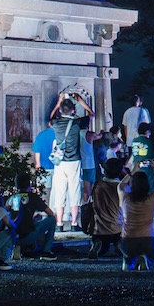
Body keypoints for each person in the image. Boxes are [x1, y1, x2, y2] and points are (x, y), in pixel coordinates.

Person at [48, 91, 93, 231]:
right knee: (74, 190)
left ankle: (59, 223)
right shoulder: (76, 123)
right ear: (73, 110)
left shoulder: (56, 123)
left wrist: (57, 103)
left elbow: (50, 119)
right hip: (74, 160)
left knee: (60, 191)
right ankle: (74, 223)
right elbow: (91, 115)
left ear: (61, 111)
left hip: (60, 162)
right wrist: (81, 101)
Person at [121, 163, 154, 270]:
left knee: (129, 253)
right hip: (147, 240)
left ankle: (128, 260)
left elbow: (121, 185)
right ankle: (146, 260)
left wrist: (133, 171)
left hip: (127, 241)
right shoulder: (152, 199)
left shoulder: (125, 198)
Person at [6, 178, 57, 261]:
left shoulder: (12, 198)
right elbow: (50, 213)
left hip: (11, 236)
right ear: (29, 185)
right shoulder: (33, 197)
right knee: (52, 220)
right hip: (27, 236)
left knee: (31, 222)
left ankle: (18, 247)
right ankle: (46, 251)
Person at [88, 158, 124, 259]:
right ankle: (119, 244)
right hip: (117, 227)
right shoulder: (121, 187)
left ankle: (97, 244)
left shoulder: (98, 185)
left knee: (102, 247)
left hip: (98, 228)